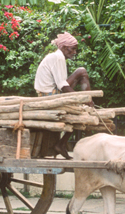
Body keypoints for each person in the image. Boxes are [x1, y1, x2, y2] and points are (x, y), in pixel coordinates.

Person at [34, 32, 93, 160]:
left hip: (50, 93)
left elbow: (63, 83)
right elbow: (62, 85)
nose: (74, 52)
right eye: (73, 49)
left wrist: (79, 100)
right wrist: (81, 100)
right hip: (49, 95)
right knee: (81, 71)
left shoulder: (58, 57)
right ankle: (89, 102)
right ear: (64, 47)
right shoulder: (58, 57)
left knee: (81, 72)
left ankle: (61, 144)